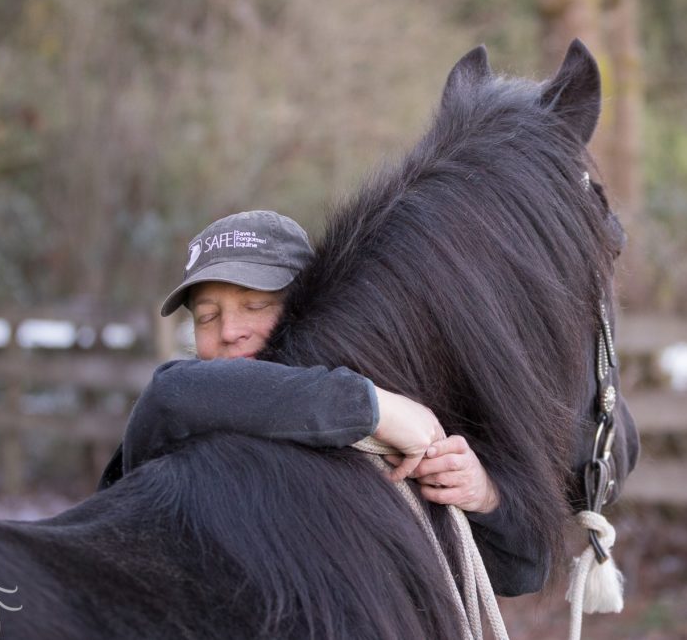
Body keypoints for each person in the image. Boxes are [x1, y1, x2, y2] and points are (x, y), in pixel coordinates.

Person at [98, 210, 548, 594]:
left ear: (309, 306)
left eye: (255, 304)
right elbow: (171, 395)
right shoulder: (186, 416)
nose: (228, 331)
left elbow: (522, 572)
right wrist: (372, 407)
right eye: (207, 316)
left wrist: (484, 497)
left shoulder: (377, 442)